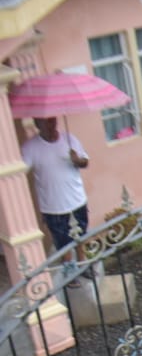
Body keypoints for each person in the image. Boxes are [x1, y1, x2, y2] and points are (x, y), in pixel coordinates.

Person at [21, 117, 90, 273]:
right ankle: (70, 272)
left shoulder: (69, 139)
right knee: (62, 241)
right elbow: (21, 172)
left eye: (53, 121)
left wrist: (77, 160)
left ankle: (83, 266)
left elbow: (85, 162)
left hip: (77, 199)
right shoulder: (31, 147)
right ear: (38, 125)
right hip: (53, 205)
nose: (52, 126)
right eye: (47, 123)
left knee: (82, 235)